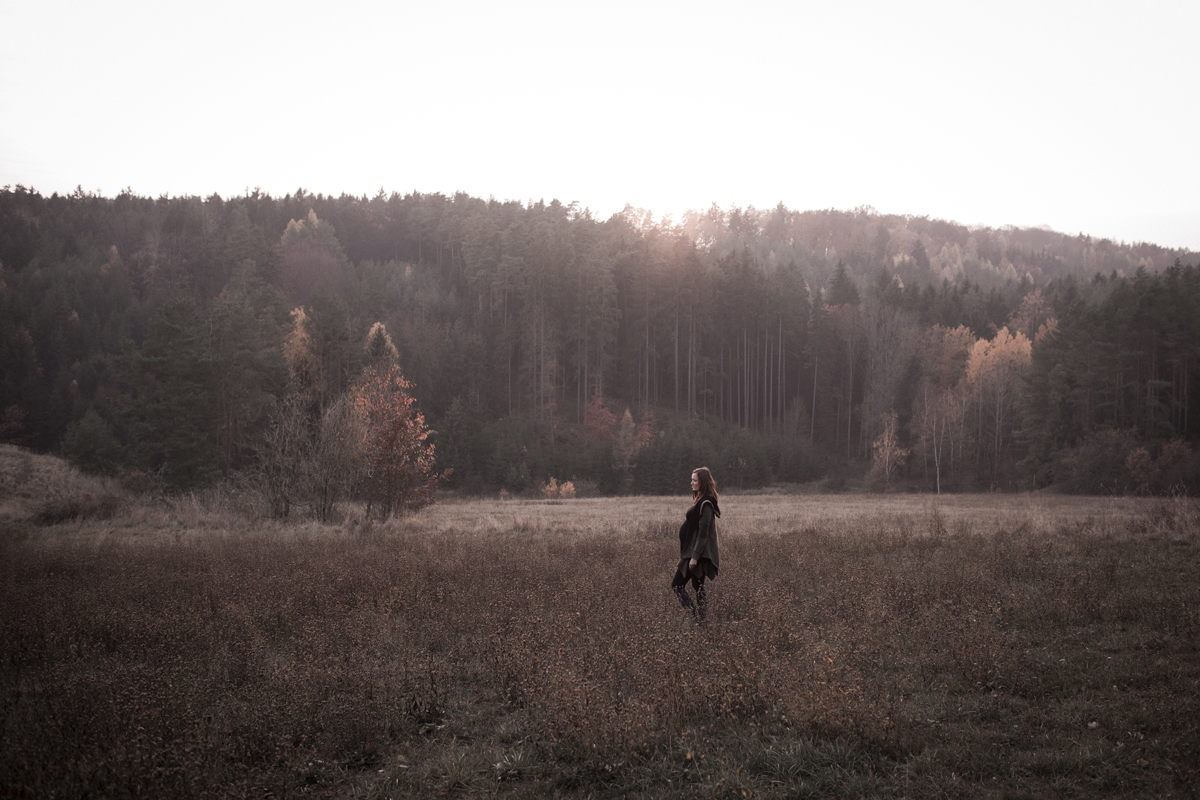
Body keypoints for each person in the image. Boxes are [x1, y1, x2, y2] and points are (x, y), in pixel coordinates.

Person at [672, 466, 720, 620]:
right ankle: (702, 621)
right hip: (694, 553)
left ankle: (696, 619)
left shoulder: (706, 504)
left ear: (702, 482)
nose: (691, 483)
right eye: (691, 480)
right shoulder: (701, 501)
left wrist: (694, 557)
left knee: (677, 585)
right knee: (698, 587)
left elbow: (703, 533)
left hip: (697, 554)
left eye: (694, 480)